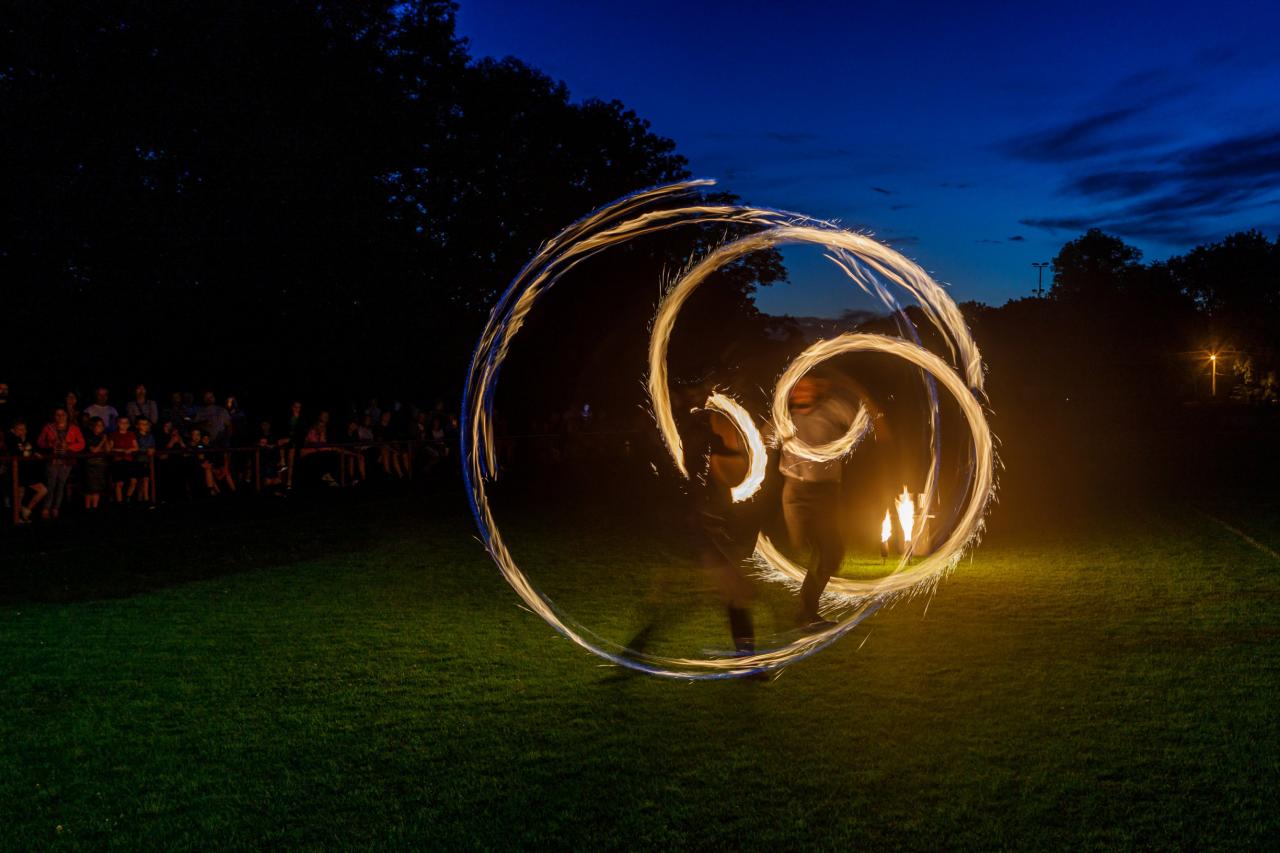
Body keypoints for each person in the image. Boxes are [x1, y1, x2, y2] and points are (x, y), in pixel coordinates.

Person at [779, 376, 857, 630]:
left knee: (831, 553)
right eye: (800, 387)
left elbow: (857, 421)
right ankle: (806, 612)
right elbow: (758, 441)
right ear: (791, 393)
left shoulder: (831, 409)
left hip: (827, 492)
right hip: (797, 492)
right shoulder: (784, 420)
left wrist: (847, 390)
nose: (805, 391)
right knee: (815, 547)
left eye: (811, 386)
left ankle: (807, 611)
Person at [38, 407, 86, 519]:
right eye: (57, 415)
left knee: (61, 485)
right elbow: (40, 442)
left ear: (67, 415)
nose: (60, 417)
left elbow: (82, 444)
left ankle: (56, 508)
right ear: (54, 416)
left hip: (66, 461)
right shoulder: (48, 427)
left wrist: (69, 446)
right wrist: (50, 444)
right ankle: (46, 507)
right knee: (51, 484)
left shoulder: (74, 428)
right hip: (53, 460)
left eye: (63, 414)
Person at [5, 419, 48, 523]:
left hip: (29, 472)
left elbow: (32, 450)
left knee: (43, 490)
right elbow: (16, 452)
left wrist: (36, 453)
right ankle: (18, 518)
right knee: (19, 495)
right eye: (19, 429)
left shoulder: (29, 439)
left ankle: (27, 510)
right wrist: (20, 441)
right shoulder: (11, 440)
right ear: (13, 430)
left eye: (24, 429)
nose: (22, 431)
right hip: (18, 471)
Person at [110, 415, 140, 503]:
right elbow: (110, 448)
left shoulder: (131, 434)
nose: (124, 425)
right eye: (121, 423)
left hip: (129, 460)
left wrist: (130, 449)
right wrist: (122, 450)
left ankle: (128, 497)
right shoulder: (113, 434)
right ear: (118, 424)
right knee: (119, 483)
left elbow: (136, 447)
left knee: (133, 481)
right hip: (118, 461)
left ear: (129, 424)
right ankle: (119, 502)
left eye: (126, 423)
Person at [82, 417, 110, 510]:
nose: (101, 427)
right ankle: (87, 508)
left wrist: (105, 440)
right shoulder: (89, 437)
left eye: (102, 425)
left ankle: (95, 508)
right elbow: (94, 450)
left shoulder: (103, 436)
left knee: (97, 489)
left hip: (101, 466)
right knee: (90, 489)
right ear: (92, 426)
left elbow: (108, 450)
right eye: (98, 425)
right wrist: (102, 442)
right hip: (91, 466)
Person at [134, 417, 156, 503]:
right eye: (142, 424)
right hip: (138, 460)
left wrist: (152, 449)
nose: (145, 426)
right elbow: (136, 447)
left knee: (146, 480)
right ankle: (140, 500)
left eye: (146, 424)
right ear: (137, 425)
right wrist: (146, 450)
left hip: (148, 460)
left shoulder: (150, 435)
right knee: (140, 481)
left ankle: (146, 499)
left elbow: (153, 446)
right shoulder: (135, 435)